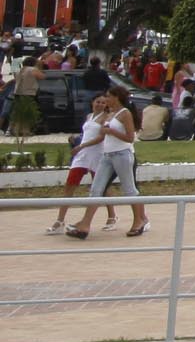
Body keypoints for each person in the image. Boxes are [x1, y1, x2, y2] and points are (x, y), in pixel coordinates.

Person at [66, 93, 146, 239]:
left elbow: (130, 138)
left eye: (108, 97)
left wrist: (110, 131)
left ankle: (139, 221)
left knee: (129, 189)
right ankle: (85, 225)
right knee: (96, 189)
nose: (105, 100)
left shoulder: (125, 113)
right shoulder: (110, 114)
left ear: (116, 97)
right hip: (107, 155)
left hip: (122, 154)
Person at [50, 96, 116, 234]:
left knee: (102, 187)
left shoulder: (106, 117)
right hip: (82, 156)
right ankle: (60, 220)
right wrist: (78, 142)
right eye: (98, 102)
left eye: (103, 102)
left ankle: (112, 216)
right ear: (92, 102)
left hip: (97, 155)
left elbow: (101, 138)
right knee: (70, 185)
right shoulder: (89, 116)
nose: (100, 104)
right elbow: (87, 133)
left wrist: (81, 145)